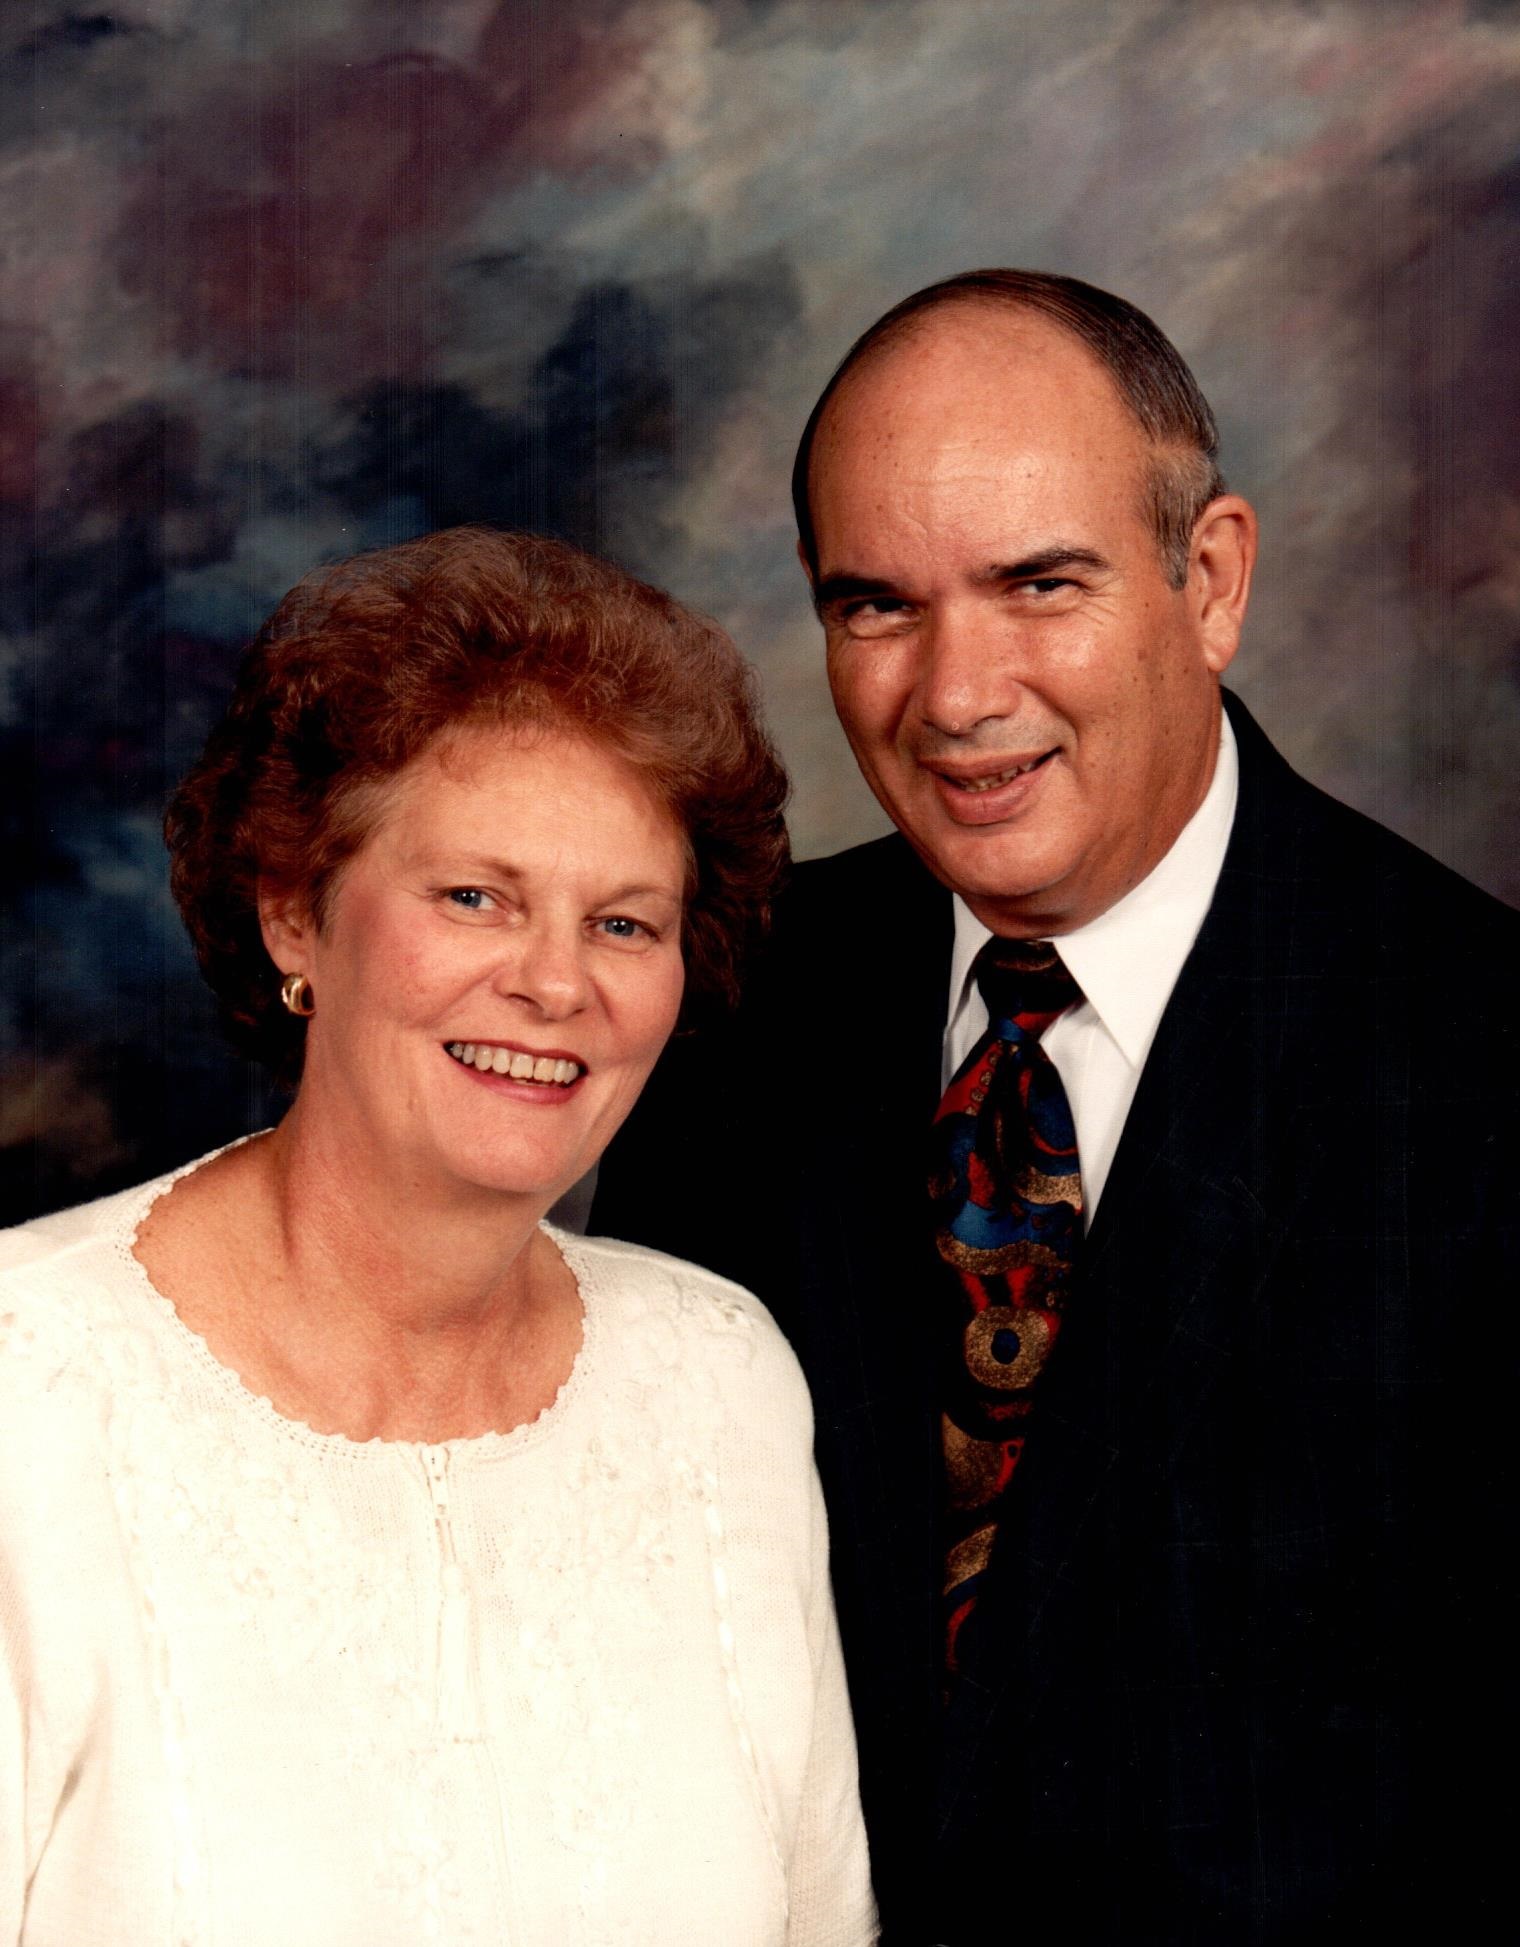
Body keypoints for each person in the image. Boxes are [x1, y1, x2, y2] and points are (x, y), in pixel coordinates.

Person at [592, 271, 1520, 1943]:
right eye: (879, 605)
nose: (957, 695)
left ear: (1210, 580)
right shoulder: (726, 999)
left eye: (1039, 585)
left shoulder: (1484, 1055)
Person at [0, 527, 877, 1944]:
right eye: (476, 897)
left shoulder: (722, 1378)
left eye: (625, 924)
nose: (555, 983)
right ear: (295, 912)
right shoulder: (28, 1385)